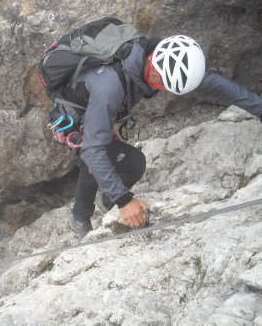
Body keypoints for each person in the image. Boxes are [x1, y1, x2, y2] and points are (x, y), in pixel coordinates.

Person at [68, 34, 262, 237]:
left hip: (95, 105)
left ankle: (107, 201)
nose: (161, 89)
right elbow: (92, 148)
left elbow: (211, 83)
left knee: (134, 164)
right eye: (162, 84)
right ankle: (79, 218)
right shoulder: (110, 88)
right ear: (154, 73)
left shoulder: (159, 57)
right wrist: (124, 200)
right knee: (97, 151)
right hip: (74, 117)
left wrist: (259, 108)